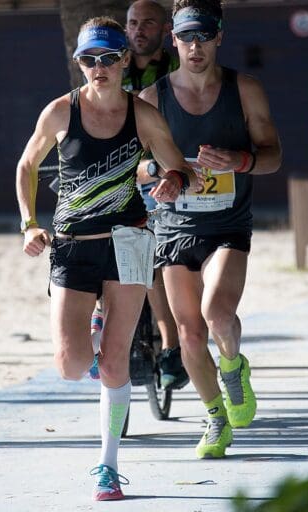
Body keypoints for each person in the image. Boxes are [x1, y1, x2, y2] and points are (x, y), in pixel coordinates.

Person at [15, 17, 200, 501]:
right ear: (79, 64)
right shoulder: (60, 112)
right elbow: (27, 165)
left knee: (115, 364)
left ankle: (107, 467)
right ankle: (93, 325)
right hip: (73, 244)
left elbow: (179, 167)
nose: (98, 68)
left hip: (130, 240)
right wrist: (29, 223)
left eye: (108, 59)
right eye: (88, 60)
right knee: (72, 364)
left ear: (123, 62)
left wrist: (174, 181)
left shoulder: (144, 116)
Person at [139, 0, 282, 459]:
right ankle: (215, 418)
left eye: (203, 37)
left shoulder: (245, 90)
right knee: (189, 334)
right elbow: (135, 168)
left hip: (227, 224)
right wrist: (161, 176)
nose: (194, 47)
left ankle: (233, 366)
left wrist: (239, 161)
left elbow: (274, 156)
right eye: (186, 38)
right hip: (175, 226)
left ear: (219, 37)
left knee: (217, 315)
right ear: (173, 40)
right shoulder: (151, 98)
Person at [125, 0, 187, 390]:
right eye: (132, 23)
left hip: (172, 173)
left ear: (165, 30)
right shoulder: (111, 67)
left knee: (154, 260)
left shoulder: (179, 70)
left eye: (147, 23)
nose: (138, 30)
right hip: (127, 176)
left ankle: (171, 347)